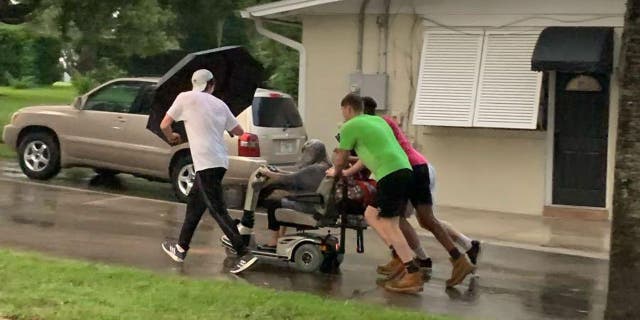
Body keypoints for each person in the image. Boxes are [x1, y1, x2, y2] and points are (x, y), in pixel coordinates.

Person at [359, 96, 481, 278]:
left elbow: (375, 155)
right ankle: (462, 252)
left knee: (395, 217)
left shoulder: (375, 125)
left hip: (408, 170)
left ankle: (412, 260)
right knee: (425, 219)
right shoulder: (383, 122)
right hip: (418, 166)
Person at [159, 69, 258, 274]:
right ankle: (181, 248)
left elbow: (164, 124)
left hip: (205, 161)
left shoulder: (185, 98)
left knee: (216, 208)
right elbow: (239, 131)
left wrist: (172, 137)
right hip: (220, 160)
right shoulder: (220, 104)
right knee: (195, 206)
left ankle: (243, 252)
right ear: (211, 84)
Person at [330, 93, 425, 294]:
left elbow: (340, 157)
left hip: (390, 174)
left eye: (343, 111)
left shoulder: (349, 126)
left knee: (390, 224)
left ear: (347, 108)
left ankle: (412, 271)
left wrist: (337, 172)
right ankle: (400, 255)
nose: (343, 115)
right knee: (371, 214)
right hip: (403, 170)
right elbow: (367, 156)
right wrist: (346, 172)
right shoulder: (377, 122)